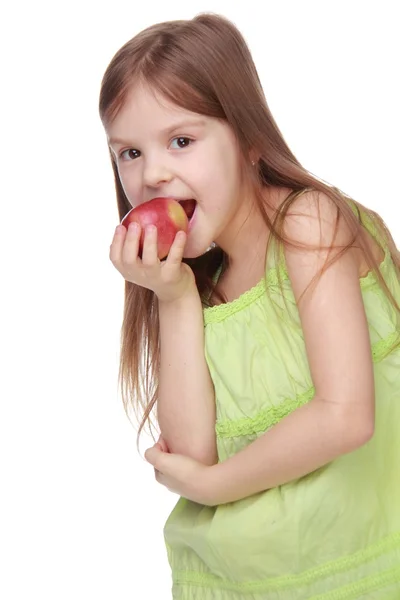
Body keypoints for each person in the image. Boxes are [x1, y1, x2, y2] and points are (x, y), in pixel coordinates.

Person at [100, 12, 400, 599]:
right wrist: (175, 296)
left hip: (355, 570)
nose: (152, 174)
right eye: (128, 153)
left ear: (249, 138)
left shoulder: (309, 224)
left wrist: (215, 488)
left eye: (180, 141)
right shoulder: (201, 283)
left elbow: (347, 415)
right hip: (240, 582)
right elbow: (190, 455)